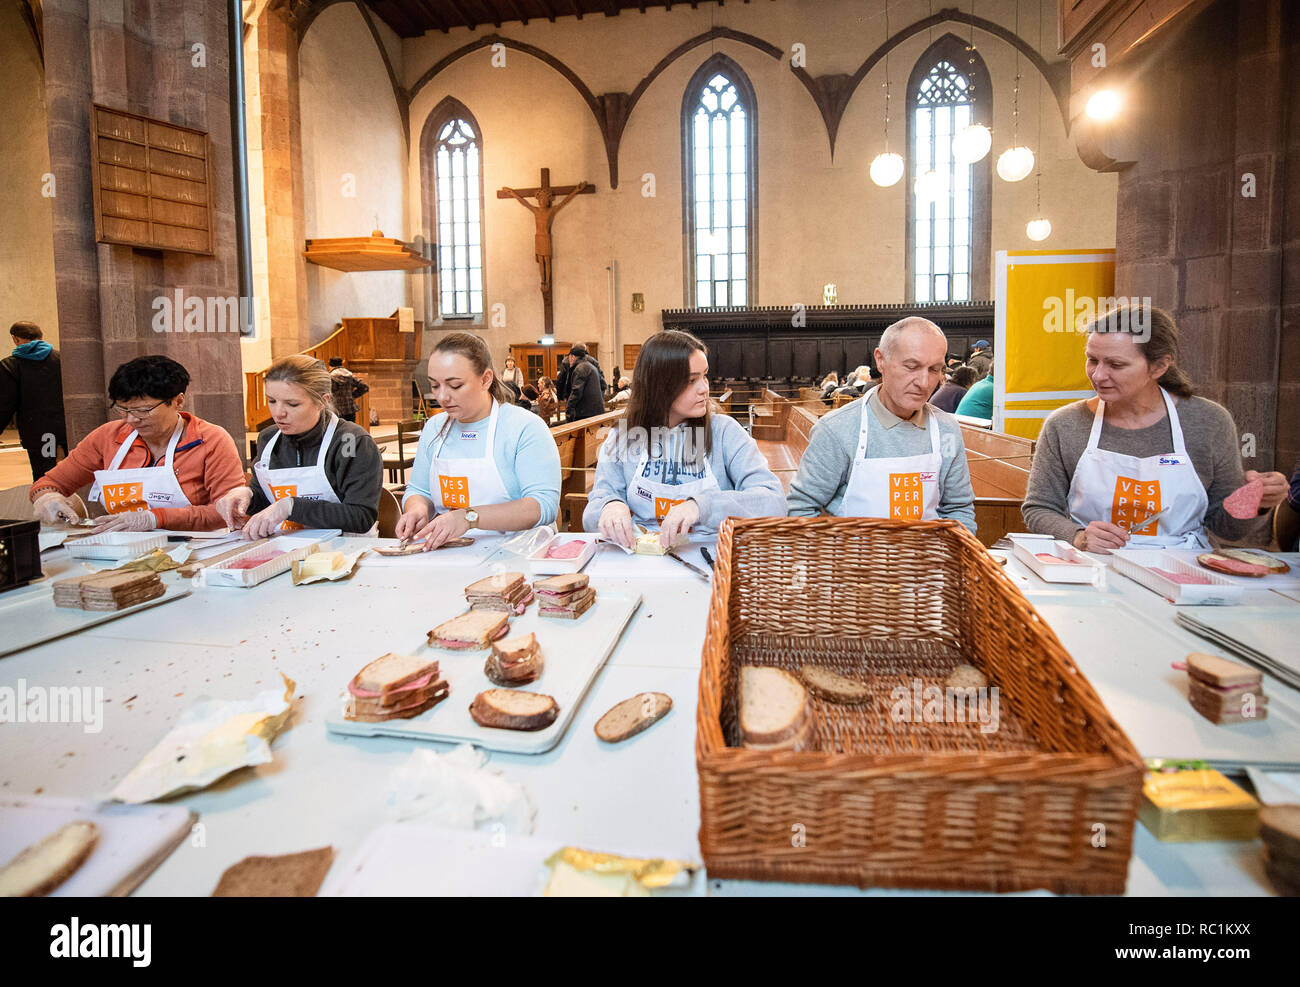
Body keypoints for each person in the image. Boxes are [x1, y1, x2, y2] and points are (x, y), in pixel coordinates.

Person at [1024, 305, 1285, 550]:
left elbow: (1225, 529)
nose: (1098, 375)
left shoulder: (1209, 422)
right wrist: (1078, 536)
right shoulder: (1065, 425)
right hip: (1093, 570)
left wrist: (1256, 502)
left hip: (1182, 572)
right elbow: (1039, 508)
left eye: (1116, 365)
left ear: (1159, 366)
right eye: (1092, 360)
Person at [587, 330, 785, 548]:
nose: (705, 388)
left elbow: (774, 502)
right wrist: (610, 505)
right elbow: (592, 514)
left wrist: (702, 507)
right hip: (642, 558)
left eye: (705, 375)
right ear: (659, 386)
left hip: (713, 557)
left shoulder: (725, 433)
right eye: (691, 380)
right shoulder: (621, 439)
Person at [787, 318, 976, 533]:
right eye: (911, 366)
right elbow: (801, 509)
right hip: (851, 563)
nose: (924, 383)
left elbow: (958, 510)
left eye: (934, 369)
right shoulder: (836, 429)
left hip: (927, 563)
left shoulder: (947, 431)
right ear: (881, 360)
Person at [29, 355, 243, 532]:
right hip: (124, 547)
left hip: (198, 547)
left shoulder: (211, 440)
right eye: (123, 409)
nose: (131, 419)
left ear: (178, 401)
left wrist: (156, 518)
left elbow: (226, 511)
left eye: (143, 411)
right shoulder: (107, 437)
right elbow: (50, 483)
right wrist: (47, 497)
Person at [396, 332, 561, 550]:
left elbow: (541, 506)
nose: (442, 397)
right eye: (434, 385)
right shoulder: (435, 428)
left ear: (485, 379)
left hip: (518, 552)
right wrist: (417, 509)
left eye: (454, 385)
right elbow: (419, 489)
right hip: (450, 553)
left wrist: (469, 517)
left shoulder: (524, 427)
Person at [215, 356, 383, 537]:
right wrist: (246, 496)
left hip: (345, 552)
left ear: (322, 401)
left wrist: (292, 506)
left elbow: (360, 517)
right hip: (285, 549)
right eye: (272, 401)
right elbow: (265, 497)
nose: (279, 413)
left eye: (292, 404)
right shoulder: (269, 439)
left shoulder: (351, 441)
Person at [0, 321, 67, 481]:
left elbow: (5, 403)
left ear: (16, 339)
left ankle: (48, 503)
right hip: (65, 427)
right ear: (41, 337)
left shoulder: (11, 366)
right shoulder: (61, 359)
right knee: (73, 469)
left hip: (40, 432)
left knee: (44, 472)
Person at [565, 343, 606, 422]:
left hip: (586, 413)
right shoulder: (589, 365)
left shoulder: (580, 368)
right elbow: (603, 385)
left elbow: (576, 391)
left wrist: (569, 409)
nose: (568, 360)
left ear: (572, 357)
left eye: (568, 357)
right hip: (594, 411)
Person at [327, 357, 369, 424]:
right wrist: (352, 395)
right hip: (350, 409)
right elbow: (365, 387)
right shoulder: (350, 376)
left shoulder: (330, 377)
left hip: (336, 409)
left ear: (331, 366)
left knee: (337, 432)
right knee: (350, 431)